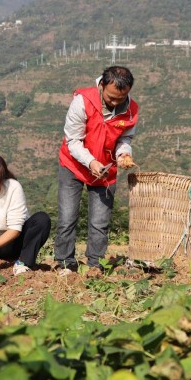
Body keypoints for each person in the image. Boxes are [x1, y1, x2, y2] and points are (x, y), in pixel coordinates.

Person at [54, 65, 138, 273]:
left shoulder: (131, 110)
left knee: (100, 222)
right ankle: (65, 262)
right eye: (111, 98)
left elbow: (125, 138)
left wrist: (123, 154)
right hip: (74, 165)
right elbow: (73, 140)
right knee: (67, 217)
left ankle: (95, 264)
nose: (115, 102)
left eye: (121, 98)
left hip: (105, 170)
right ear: (102, 85)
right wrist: (90, 162)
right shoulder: (82, 102)